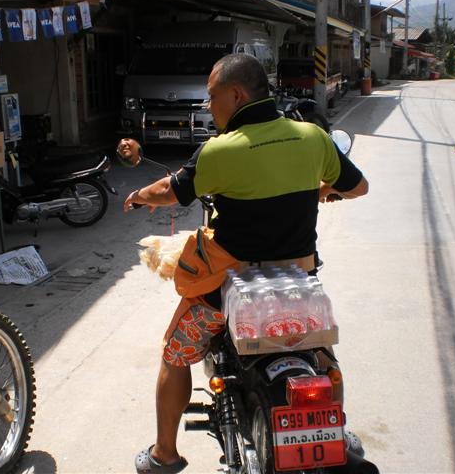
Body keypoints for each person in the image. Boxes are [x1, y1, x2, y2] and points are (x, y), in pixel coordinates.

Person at [123, 53, 369, 474]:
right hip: (296, 290)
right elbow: (358, 186)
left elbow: (170, 191)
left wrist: (139, 195)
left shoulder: (219, 150)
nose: (209, 106)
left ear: (236, 95)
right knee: (324, 360)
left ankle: (165, 453)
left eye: (212, 96)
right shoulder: (313, 138)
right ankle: (335, 435)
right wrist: (319, 191)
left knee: (175, 354)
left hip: (227, 295)